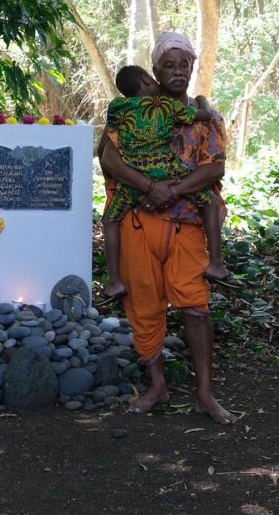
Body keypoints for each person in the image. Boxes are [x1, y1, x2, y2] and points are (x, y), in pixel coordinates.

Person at [99, 31, 236, 425]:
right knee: (144, 306)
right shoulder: (132, 109)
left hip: (187, 224)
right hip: (138, 221)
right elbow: (109, 156)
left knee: (195, 303)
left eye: (185, 65)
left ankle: (205, 394)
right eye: (169, 65)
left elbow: (215, 166)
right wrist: (147, 187)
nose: (178, 72)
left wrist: (169, 189)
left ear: (193, 68)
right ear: (154, 70)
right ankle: (157, 386)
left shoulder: (205, 114)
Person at [99, 65, 232, 305]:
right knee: (210, 202)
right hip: (165, 168)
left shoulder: (116, 107)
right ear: (149, 80)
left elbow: (107, 146)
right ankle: (216, 264)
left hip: (134, 176)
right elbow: (202, 115)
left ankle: (114, 281)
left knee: (109, 220)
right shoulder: (166, 107)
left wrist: (143, 187)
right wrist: (202, 99)